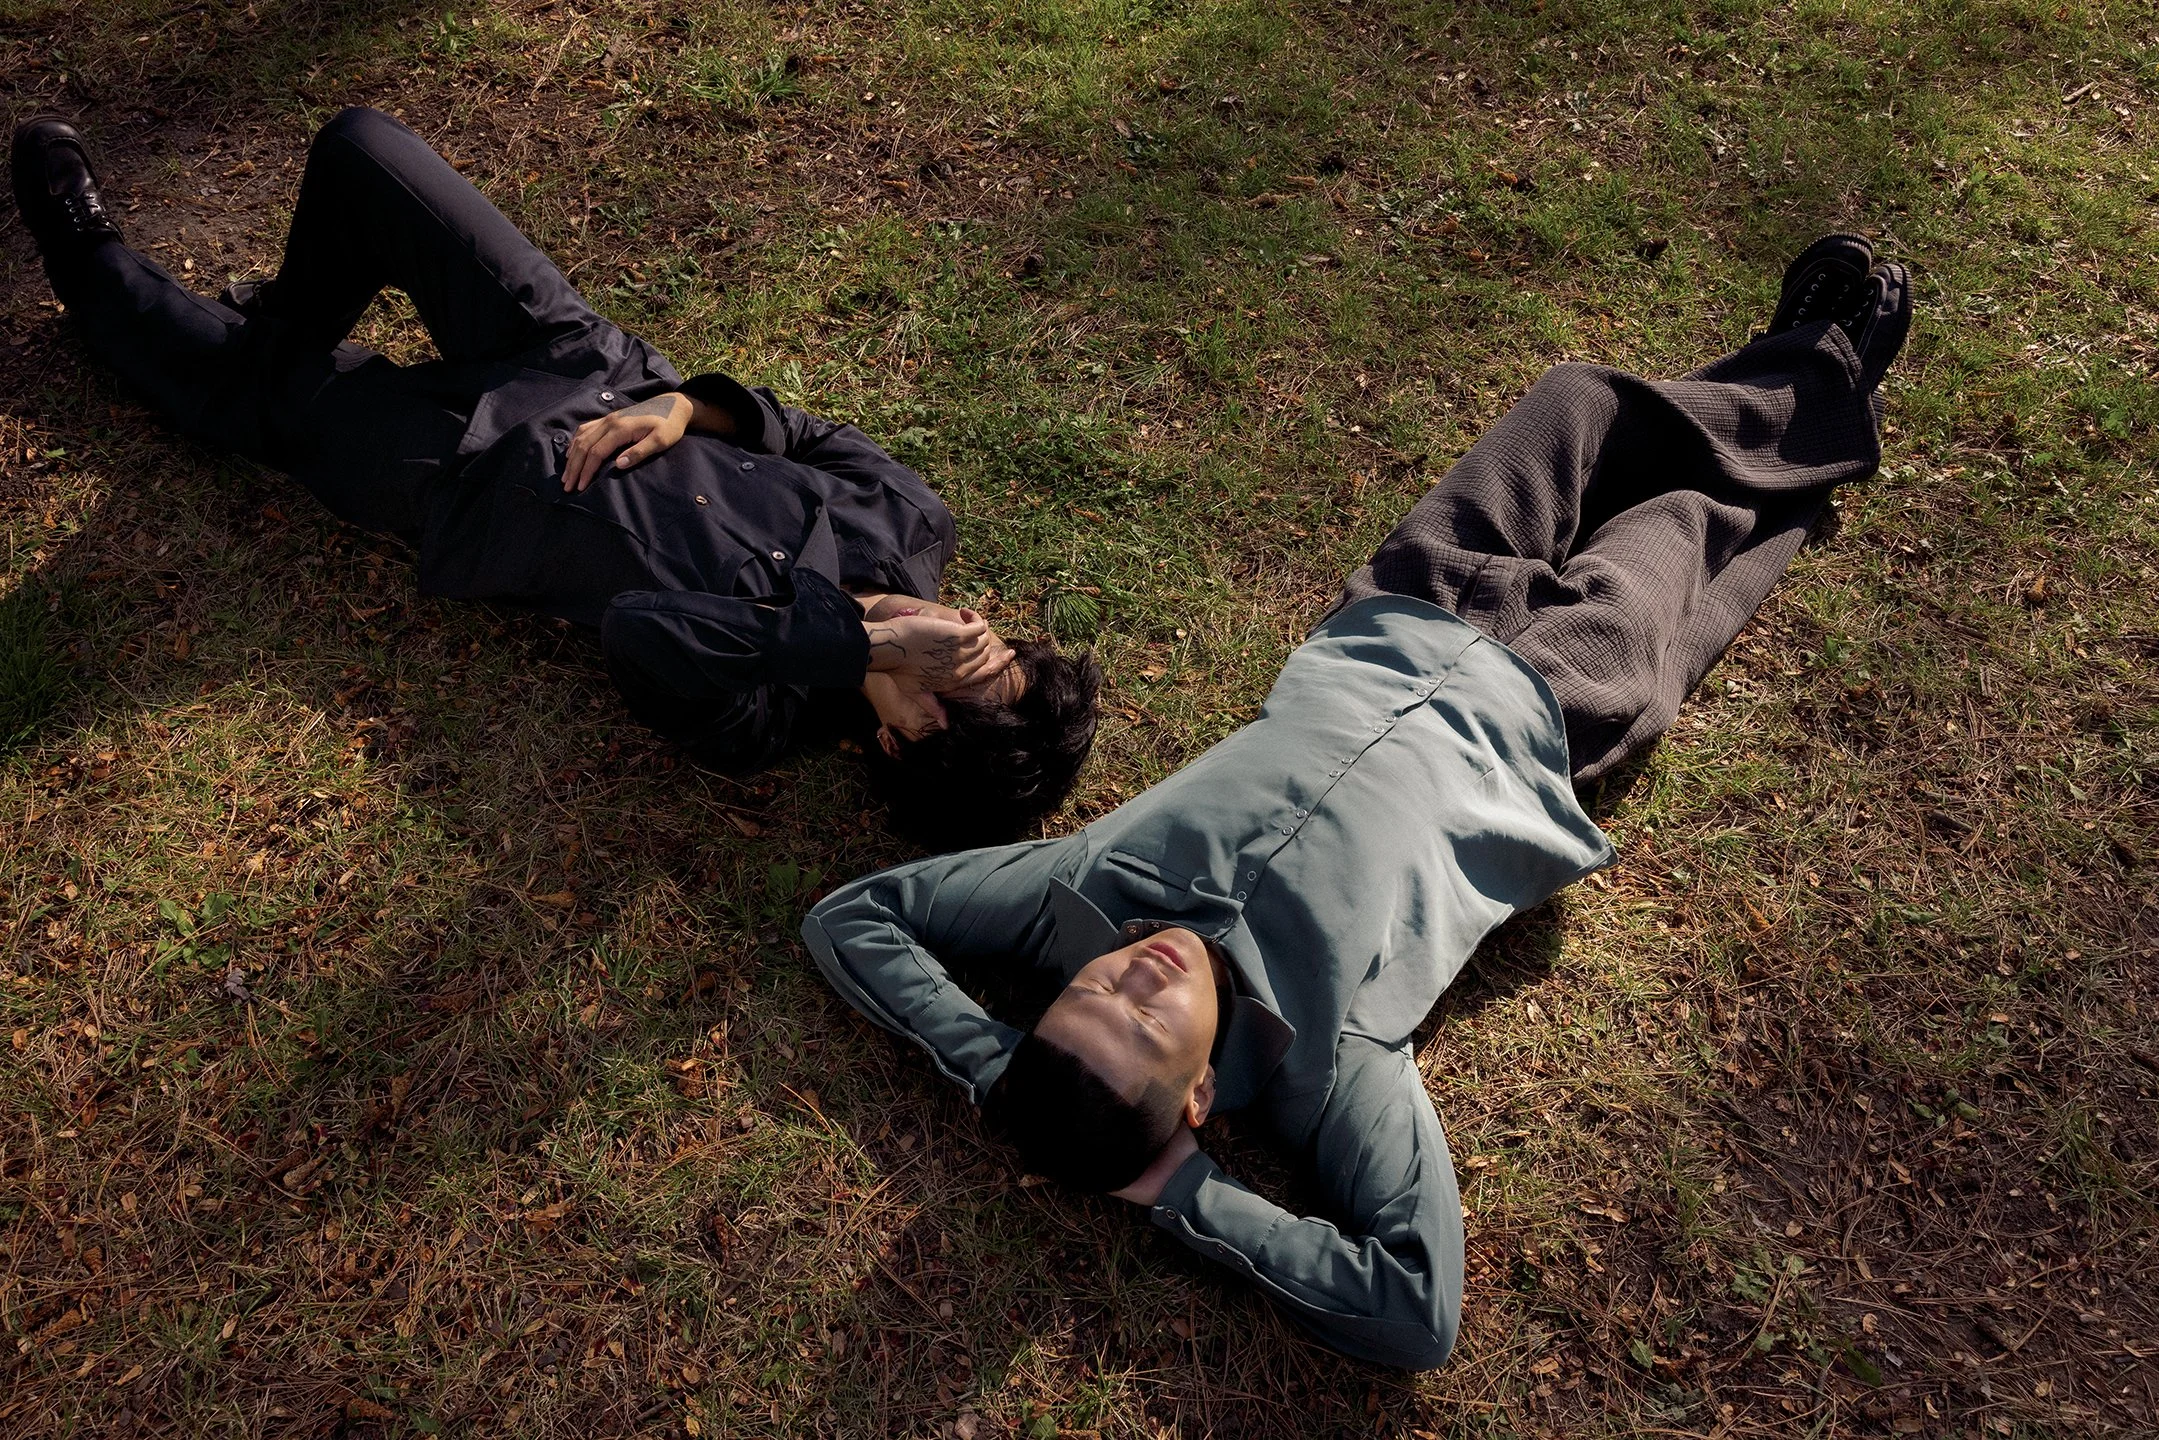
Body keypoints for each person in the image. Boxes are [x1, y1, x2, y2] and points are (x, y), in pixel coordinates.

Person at [799, 236, 1913, 1367]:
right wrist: (1180, 1192)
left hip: (1406, 607)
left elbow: (853, 920)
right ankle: (1825, 365)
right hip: (1553, 705)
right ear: (1195, 1099)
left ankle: (1805, 369)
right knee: (1681, 521)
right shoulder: (1332, 1068)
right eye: (1143, 1024)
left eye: (1089, 991)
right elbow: (1411, 1310)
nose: (1135, 974)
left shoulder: (1073, 895)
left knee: (1576, 402)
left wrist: (1002, 1073)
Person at [9, 109, 1101, 845]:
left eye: (960, 671)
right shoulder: (911, 521)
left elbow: (643, 632)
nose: (959, 629)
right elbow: (798, 429)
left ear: (904, 736)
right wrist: (686, 407)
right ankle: (270, 341)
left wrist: (857, 643)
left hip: (458, 479)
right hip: (580, 360)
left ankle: (91, 259)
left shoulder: (764, 717)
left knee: (228, 392)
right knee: (360, 148)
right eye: (991, 640)